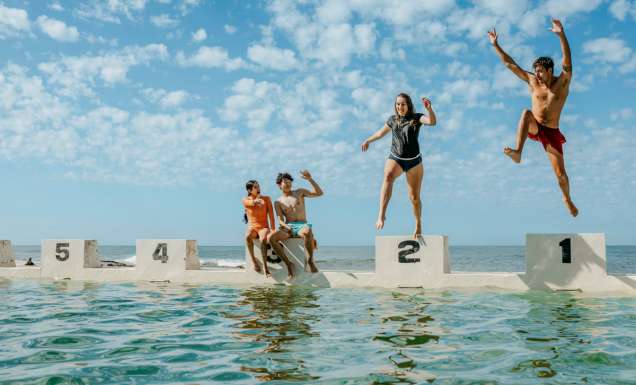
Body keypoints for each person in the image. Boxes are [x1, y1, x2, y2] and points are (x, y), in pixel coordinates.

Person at [488, 19, 578, 217]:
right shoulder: (532, 81)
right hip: (535, 126)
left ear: (549, 71)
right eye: (535, 70)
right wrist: (496, 46)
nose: (536, 74)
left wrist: (561, 35)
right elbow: (511, 65)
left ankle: (567, 199)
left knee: (561, 176)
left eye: (540, 71)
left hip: (551, 132)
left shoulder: (561, 84)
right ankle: (518, 152)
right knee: (525, 113)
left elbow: (568, 63)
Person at [361, 93, 436, 239]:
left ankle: (418, 224)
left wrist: (429, 109)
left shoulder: (417, 118)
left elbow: (432, 122)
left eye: (403, 104)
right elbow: (380, 133)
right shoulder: (392, 120)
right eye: (397, 104)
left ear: (408, 105)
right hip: (396, 158)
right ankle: (381, 214)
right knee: (388, 176)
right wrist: (368, 140)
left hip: (414, 162)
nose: (400, 107)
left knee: (414, 197)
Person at [243, 180, 294, 278]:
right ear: (250, 190)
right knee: (247, 236)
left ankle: (266, 267)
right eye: (255, 187)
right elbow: (248, 203)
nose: (258, 188)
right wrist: (255, 201)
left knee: (263, 239)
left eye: (258, 186)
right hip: (252, 227)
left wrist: (273, 229)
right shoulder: (245, 200)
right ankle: (254, 261)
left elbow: (271, 215)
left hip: (263, 227)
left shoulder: (266, 199)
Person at [274, 170, 323, 273]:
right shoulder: (278, 202)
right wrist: (287, 227)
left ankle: (310, 261)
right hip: (288, 227)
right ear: (279, 185)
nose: (288, 184)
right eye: (285, 182)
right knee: (271, 238)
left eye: (289, 182)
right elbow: (280, 220)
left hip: (302, 225)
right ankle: (288, 264)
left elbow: (319, 193)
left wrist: (310, 179)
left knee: (307, 230)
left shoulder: (299, 192)